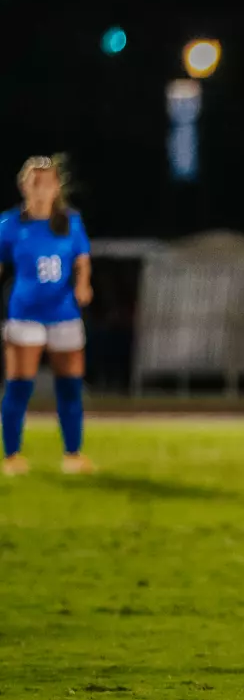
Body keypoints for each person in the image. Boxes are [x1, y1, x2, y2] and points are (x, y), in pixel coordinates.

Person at [0, 156, 94, 476]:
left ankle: (73, 454)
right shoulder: (10, 224)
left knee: (69, 387)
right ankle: (12, 456)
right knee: (18, 386)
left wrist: (83, 285)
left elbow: (82, 259)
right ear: (23, 185)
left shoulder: (71, 222)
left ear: (57, 187)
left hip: (63, 313)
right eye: (35, 182)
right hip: (25, 314)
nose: (41, 189)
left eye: (48, 182)